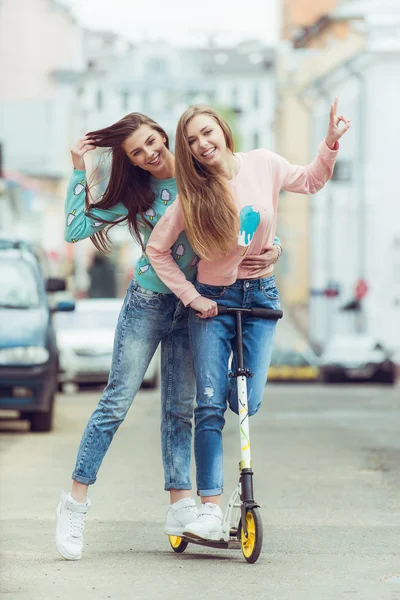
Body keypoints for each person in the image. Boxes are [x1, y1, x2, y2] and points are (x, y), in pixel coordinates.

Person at [56, 111, 283, 560]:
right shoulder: (136, 193)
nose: (149, 154)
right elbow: (75, 228)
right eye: (137, 153)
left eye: (151, 142)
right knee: (116, 401)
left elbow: (252, 218)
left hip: (196, 304)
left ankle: (181, 507)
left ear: (163, 135)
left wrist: (274, 249)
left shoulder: (205, 176)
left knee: (181, 409)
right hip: (147, 303)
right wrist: (80, 171)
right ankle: (75, 504)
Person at [146, 100, 350, 541]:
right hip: (213, 303)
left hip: (261, 297)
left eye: (206, 132)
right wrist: (192, 296)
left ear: (222, 129)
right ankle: (209, 509)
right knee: (208, 407)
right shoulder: (192, 194)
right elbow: (157, 250)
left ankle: (215, 393)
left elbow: (312, 179)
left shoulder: (265, 164)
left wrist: (330, 143)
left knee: (245, 402)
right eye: (192, 140)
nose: (202, 144)